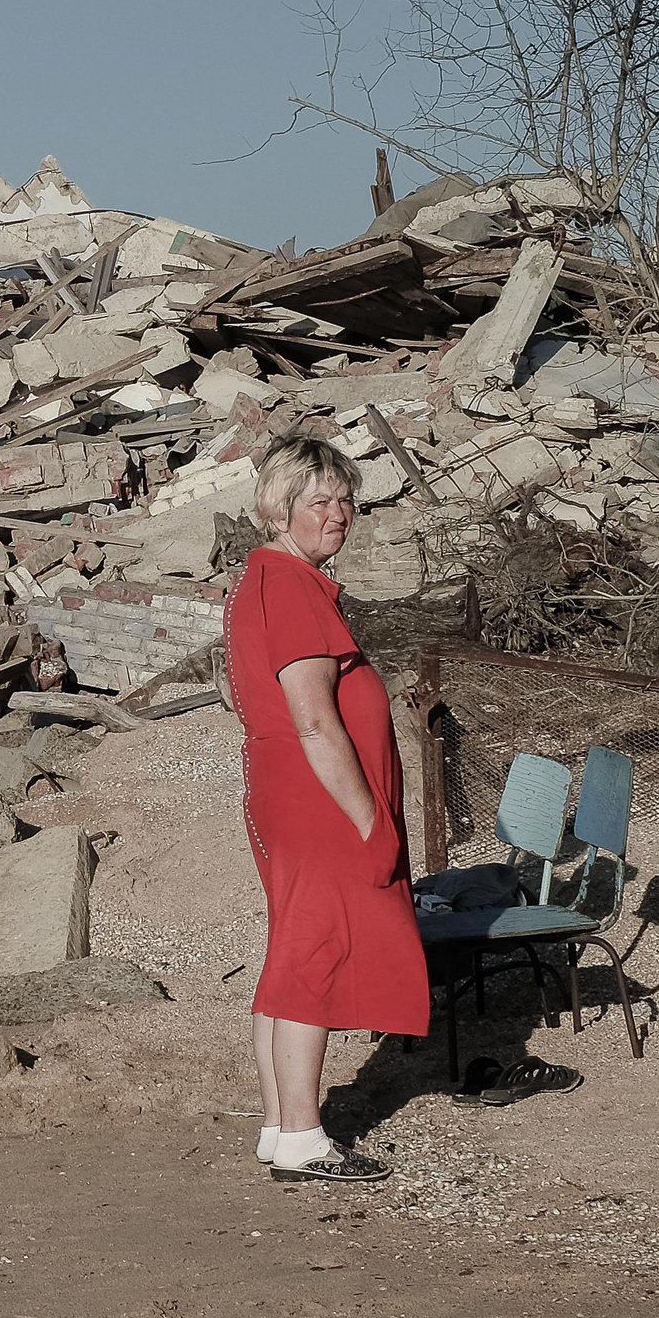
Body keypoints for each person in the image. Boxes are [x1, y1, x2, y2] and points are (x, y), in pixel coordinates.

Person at [222, 436, 428, 1183]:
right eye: (321, 501)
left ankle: (281, 1126)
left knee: (289, 953)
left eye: (347, 499)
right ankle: (307, 1137)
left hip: (286, 793)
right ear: (280, 509)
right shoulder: (293, 588)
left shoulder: (266, 579)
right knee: (313, 955)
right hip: (317, 801)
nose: (339, 514)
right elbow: (314, 719)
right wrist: (371, 819)